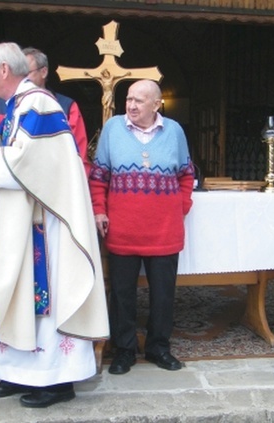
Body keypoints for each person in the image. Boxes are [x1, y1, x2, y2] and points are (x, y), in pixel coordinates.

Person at [0, 42, 108, 408]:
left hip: (42, 227)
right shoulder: (15, 108)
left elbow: (42, 165)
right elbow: (15, 161)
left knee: (39, 301)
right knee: (12, 295)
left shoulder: (39, 104)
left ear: (3, 70)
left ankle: (57, 381)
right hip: (20, 225)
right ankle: (16, 372)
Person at [89, 79, 194, 375]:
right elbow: (98, 177)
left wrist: (180, 207)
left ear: (156, 105)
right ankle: (124, 350)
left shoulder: (174, 131)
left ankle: (159, 348)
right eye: (129, 99)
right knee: (122, 294)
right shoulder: (113, 129)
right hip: (122, 229)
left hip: (164, 230)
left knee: (163, 294)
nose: (131, 105)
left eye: (139, 101)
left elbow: (187, 174)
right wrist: (99, 210)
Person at [0, 46, 90, 229]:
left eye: (27, 72)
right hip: (9, 202)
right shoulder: (5, 107)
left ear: (44, 72)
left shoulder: (53, 105)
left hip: (47, 205)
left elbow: (74, 159)